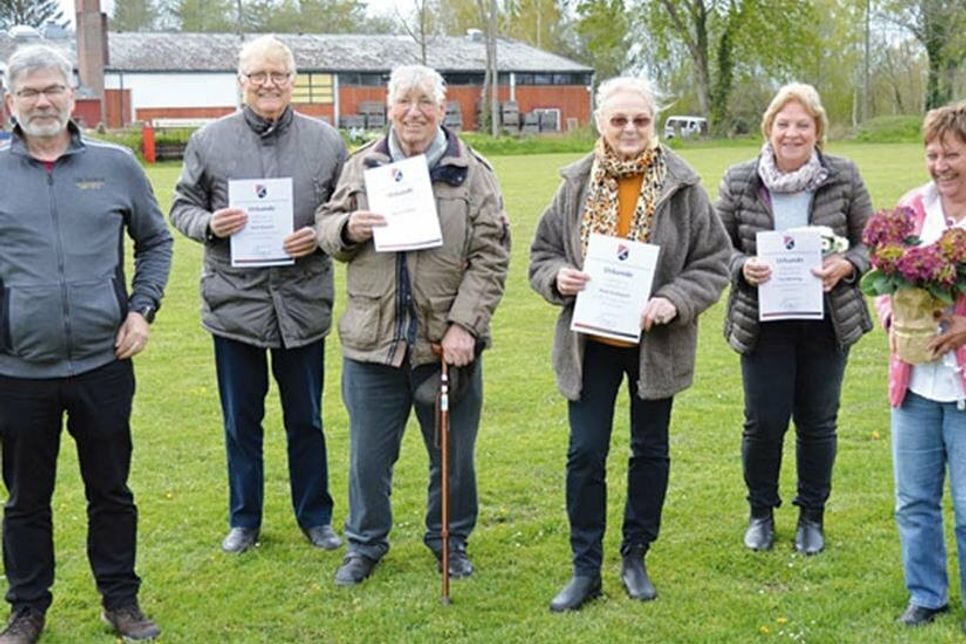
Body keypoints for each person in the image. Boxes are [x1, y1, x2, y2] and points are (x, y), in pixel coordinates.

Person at [529, 76, 730, 612]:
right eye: (619, 120)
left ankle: (636, 555)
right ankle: (585, 567)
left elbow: (713, 262)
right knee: (585, 452)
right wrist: (558, 278)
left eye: (640, 120)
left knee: (650, 452)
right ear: (600, 123)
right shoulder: (574, 184)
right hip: (590, 342)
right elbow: (542, 253)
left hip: (655, 343)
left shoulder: (683, 186)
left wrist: (673, 300)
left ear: (654, 124)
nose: (630, 129)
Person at [0, 45, 172, 642]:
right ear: (10, 102)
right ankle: (26, 609)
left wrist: (142, 310)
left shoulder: (116, 164)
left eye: (52, 89)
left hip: (103, 362)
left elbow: (157, 242)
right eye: (29, 93)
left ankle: (120, 600)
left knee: (111, 491)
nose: (42, 101)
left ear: (73, 96)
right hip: (18, 370)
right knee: (26, 499)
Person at [315, 64, 509, 586]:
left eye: (426, 101)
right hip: (373, 342)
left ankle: (450, 541)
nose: (414, 111)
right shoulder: (362, 165)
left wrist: (464, 326)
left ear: (442, 110)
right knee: (367, 461)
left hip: (444, 345)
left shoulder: (473, 172)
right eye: (405, 101)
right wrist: (348, 229)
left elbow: (492, 256)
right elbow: (326, 226)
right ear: (389, 106)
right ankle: (364, 545)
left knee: (452, 458)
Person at [170, 35, 347, 555]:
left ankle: (316, 516)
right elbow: (181, 206)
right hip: (235, 306)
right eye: (258, 75)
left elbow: (344, 211)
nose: (269, 84)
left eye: (279, 75)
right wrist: (209, 224)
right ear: (240, 81)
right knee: (241, 422)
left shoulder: (326, 141)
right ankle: (244, 519)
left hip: (302, 302)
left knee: (306, 420)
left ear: (293, 81)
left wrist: (318, 234)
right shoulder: (209, 140)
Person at [716, 83, 873, 555]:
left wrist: (848, 265)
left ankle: (811, 517)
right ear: (769, 128)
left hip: (827, 322)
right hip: (763, 323)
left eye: (803, 124)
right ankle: (761, 513)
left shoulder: (843, 175)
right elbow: (714, 247)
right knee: (763, 423)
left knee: (818, 423)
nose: (792, 133)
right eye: (783, 124)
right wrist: (742, 267)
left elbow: (872, 242)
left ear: (818, 130)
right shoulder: (740, 178)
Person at [877, 102, 966, 629]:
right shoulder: (911, 208)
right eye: (932, 154)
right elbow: (884, 283)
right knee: (913, 500)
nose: (940, 165)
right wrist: (894, 322)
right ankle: (927, 595)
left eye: (952, 154)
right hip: (914, 383)